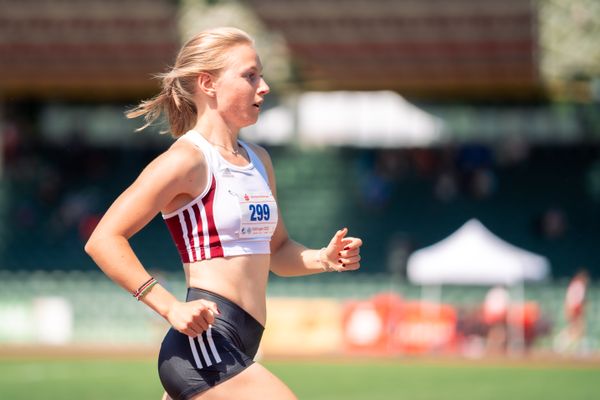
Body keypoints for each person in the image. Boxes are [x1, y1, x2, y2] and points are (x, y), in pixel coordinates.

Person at [84, 27, 363, 400]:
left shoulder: (259, 160)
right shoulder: (186, 160)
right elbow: (103, 239)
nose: (263, 87)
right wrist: (168, 306)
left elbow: (277, 252)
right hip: (204, 345)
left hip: (240, 344)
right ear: (208, 83)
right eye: (250, 76)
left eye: (261, 75)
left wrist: (324, 259)